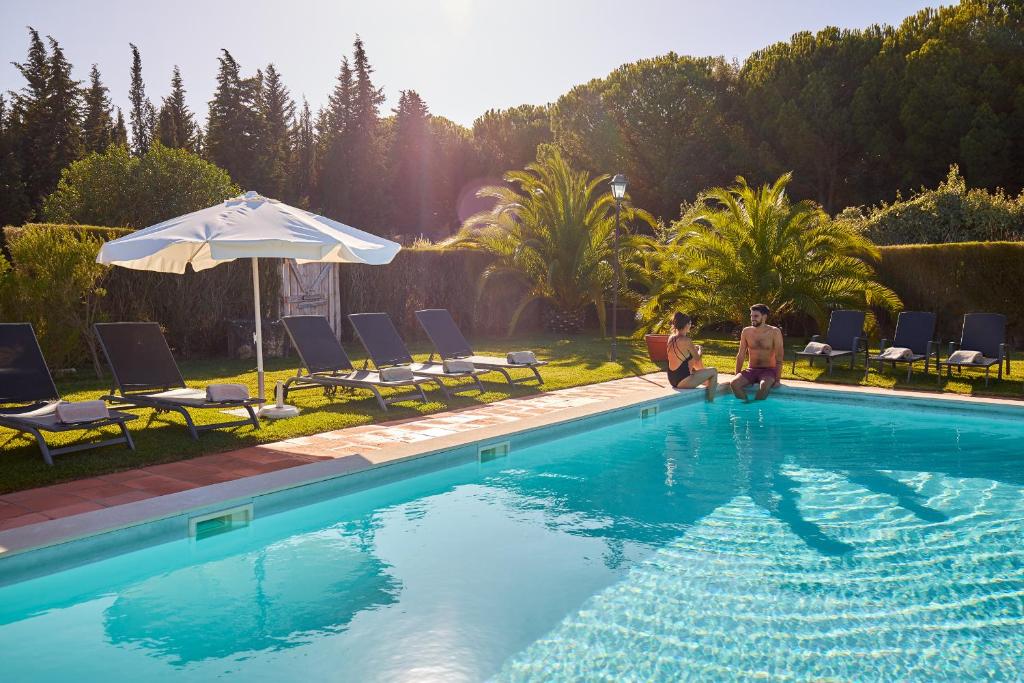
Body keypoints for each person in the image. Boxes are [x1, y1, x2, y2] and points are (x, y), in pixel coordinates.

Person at [731, 303, 784, 401]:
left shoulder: (774, 332)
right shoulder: (746, 331)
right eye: (751, 316)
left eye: (756, 316)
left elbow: (779, 357)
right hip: (751, 369)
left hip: (769, 371)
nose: (752, 318)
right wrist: (737, 373)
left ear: (764, 317)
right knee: (734, 383)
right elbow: (741, 354)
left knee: (764, 385)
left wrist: (777, 380)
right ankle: (747, 405)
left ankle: (756, 407)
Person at [666, 312, 719, 401]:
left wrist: (693, 350)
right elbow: (697, 359)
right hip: (683, 380)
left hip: (672, 378)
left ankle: (706, 382)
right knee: (713, 371)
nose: (691, 325)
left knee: (689, 357)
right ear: (686, 325)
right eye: (690, 323)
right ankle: (711, 402)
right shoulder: (687, 340)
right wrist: (700, 350)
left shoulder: (671, 338)